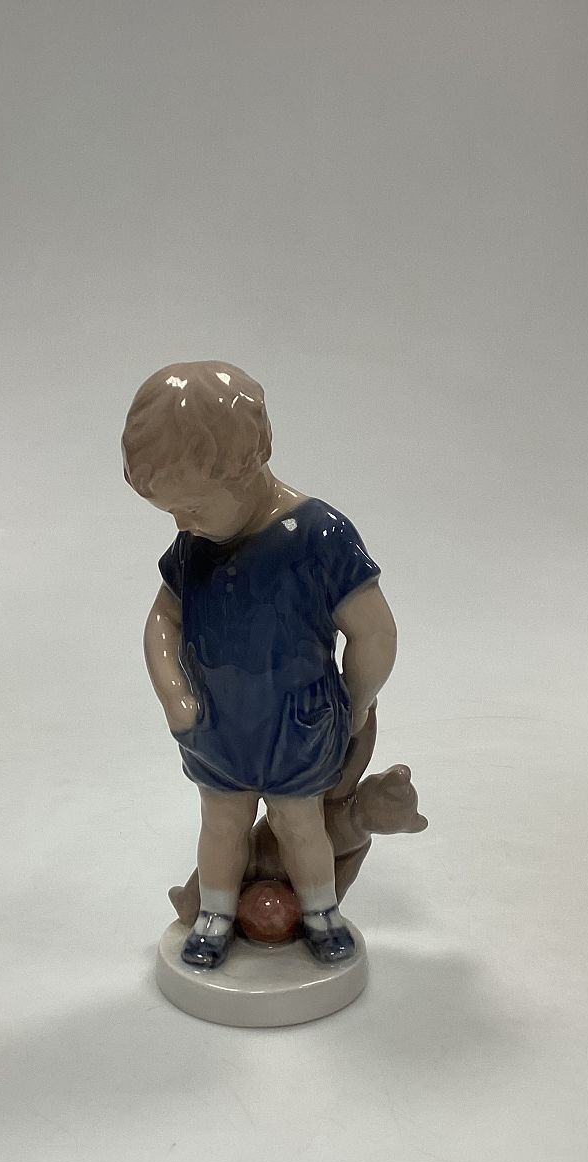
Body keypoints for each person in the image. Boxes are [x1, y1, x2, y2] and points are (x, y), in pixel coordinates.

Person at [123, 361, 397, 968]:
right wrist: (175, 696)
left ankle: (320, 910)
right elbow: (162, 620)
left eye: (193, 507)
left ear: (244, 467)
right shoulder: (194, 546)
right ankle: (215, 913)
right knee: (221, 823)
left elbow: (375, 632)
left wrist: (355, 701)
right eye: (173, 513)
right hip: (216, 724)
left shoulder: (318, 536)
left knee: (300, 823)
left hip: (298, 721)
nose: (182, 524)